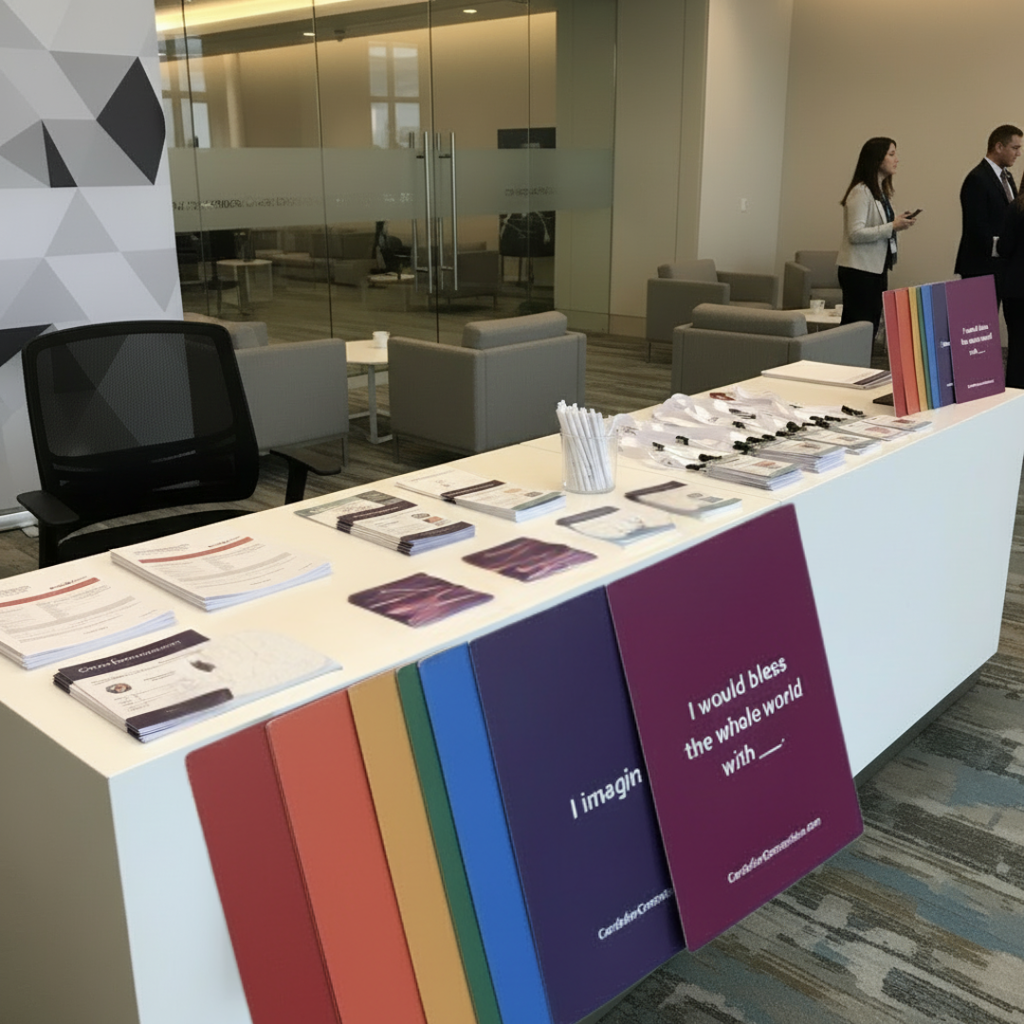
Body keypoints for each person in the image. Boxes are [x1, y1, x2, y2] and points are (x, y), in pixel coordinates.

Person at [836, 137, 917, 339]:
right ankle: (849, 368)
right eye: (891, 154)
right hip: (859, 271)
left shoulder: (880, 192)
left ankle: (863, 368)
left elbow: (879, 227)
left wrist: (897, 223)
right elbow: (855, 234)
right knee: (858, 329)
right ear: (877, 159)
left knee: (871, 325)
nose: (896, 159)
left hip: (876, 268)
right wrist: (892, 226)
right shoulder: (861, 191)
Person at [955, 125, 1022, 296]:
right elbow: (976, 227)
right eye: (1015, 148)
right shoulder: (977, 179)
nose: (1018, 154)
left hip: (1002, 265)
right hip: (980, 267)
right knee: (977, 322)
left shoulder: (1007, 177)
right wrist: (1005, 246)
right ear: (999, 147)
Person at [997, 193, 1024, 387]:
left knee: (1017, 346)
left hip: (1016, 287)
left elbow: (1005, 247)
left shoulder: (1016, 207)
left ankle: (1015, 395)